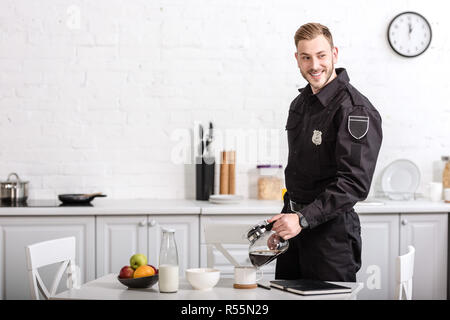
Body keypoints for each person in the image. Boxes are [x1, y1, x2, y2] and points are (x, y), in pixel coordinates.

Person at [268, 23, 383, 282]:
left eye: (321, 55)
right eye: (306, 57)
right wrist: (286, 222)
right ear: (297, 59)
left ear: (334, 53)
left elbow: (354, 184)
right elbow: (300, 177)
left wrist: (301, 219)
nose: (314, 65)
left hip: (331, 238)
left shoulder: (355, 110)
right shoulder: (299, 105)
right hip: (295, 233)